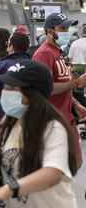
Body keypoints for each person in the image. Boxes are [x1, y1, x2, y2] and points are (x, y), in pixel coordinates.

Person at [0, 61, 78, 208]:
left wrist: (6, 190)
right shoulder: (9, 122)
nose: (5, 91)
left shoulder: (52, 127)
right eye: (5, 86)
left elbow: (52, 173)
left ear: (32, 94)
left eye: (12, 87)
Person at [32, 13, 83, 169]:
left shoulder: (59, 53)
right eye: (62, 28)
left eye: (68, 28)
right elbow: (45, 88)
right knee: (61, 164)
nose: (66, 31)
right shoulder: (44, 54)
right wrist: (76, 83)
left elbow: (62, 82)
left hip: (66, 115)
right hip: (52, 119)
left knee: (75, 161)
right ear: (49, 31)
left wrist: (74, 103)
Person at [0, 31, 30, 128]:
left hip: (1, 113)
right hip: (26, 114)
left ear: (11, 47)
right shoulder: (32, 64)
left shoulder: (2, 65)